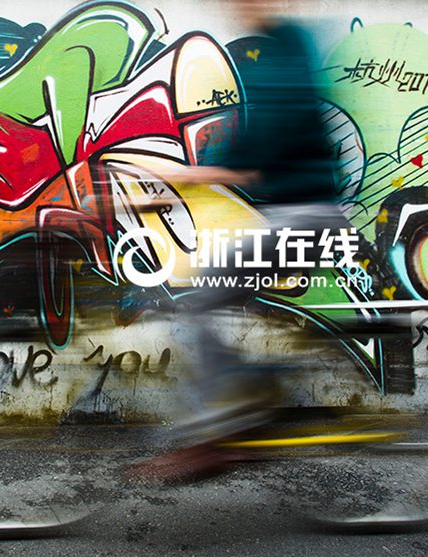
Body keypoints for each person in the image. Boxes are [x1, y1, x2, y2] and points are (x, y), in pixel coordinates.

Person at [128, 0, 350, 483]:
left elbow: (255, 155)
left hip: (306, 219)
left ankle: (222, 430)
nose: (238, 9)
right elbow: (258, 154)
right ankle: (249, 398)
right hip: (307, 215)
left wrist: (178, 177)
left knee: (199, 298)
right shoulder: (287, 50)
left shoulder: (282, 56)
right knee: (213, 295)